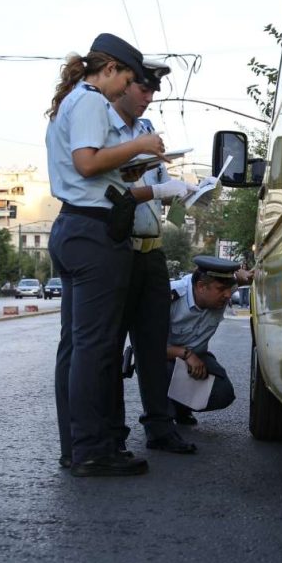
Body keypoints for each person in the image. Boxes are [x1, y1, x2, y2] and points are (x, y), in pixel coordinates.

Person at [46, 33, 175, 478]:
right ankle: (92, 450)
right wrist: (140, 146)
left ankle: (77, 446)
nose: (126, 90)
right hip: (93, 232)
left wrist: (128, 167)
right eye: (127, 80)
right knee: (95, 348)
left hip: (76, 226)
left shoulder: (76, 100)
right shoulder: (89, 101)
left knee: (79, 345)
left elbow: (95, 166)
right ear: (111, 70)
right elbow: (86, 163)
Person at [108, 58, 198, 455]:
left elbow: (159, 190)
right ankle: (112, 433)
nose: (147, 98)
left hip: (152, 250)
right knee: (109, 346)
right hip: (117, 249)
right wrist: (159, 191)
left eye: (152, 92)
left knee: (152, 343)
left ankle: (160, 428)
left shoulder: (147, 131)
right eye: (142, 89)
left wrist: (186, 191)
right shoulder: (104, 127)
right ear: (123, 83)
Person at [165, 256, 252, 424]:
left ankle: (181, 407)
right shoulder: (170, 296)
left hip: (198, 357)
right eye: (221, 289)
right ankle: (161, 419)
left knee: (223, 392)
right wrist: (186, 355)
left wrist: (247, 274)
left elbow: (240, 278)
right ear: (201, 287)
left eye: (229, 289)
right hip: (162, 358)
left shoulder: (220, 289)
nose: (228, 295)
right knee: (163, 372)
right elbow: (147, 345)